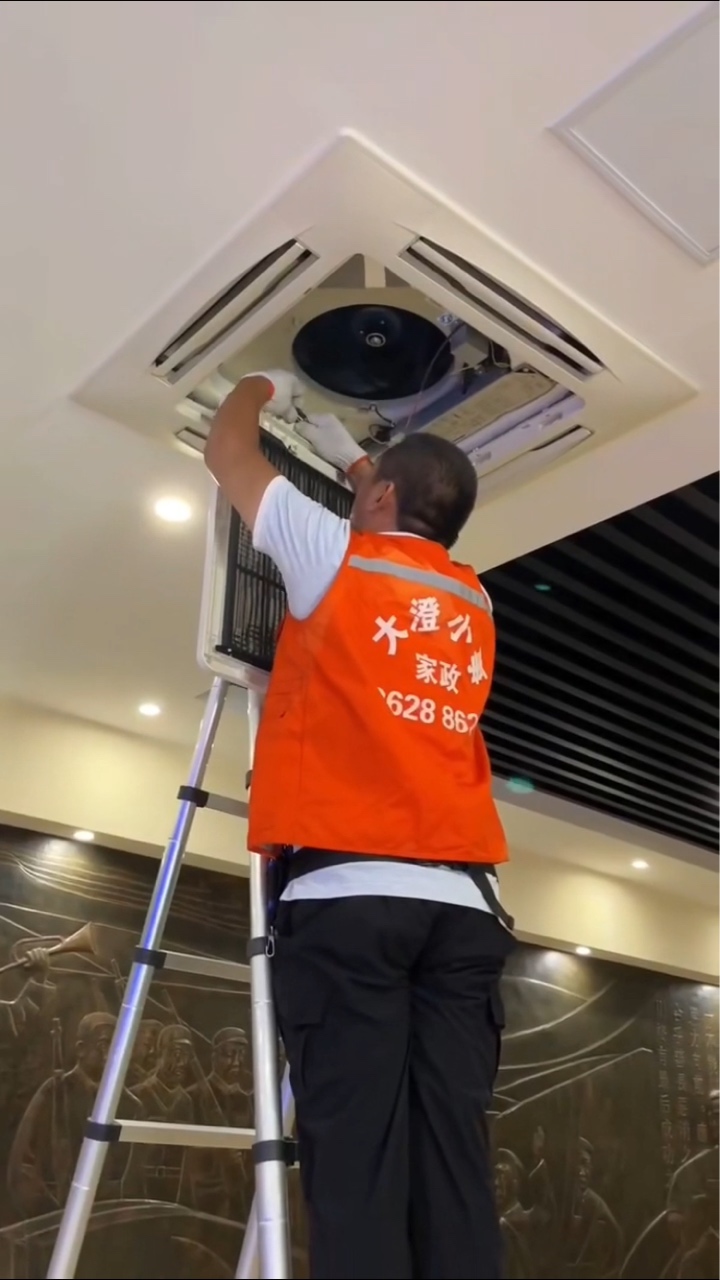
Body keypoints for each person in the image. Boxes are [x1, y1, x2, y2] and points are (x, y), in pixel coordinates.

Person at [205, 369, 514, 1280]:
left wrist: (258, 383)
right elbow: (399, 502)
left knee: (359, 1161)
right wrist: (360, 464)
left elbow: (229, 450)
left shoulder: (337, 556)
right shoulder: (473, 601)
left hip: (351, 901)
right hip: (464, 910)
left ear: (379, 499)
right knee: (453, 1161)